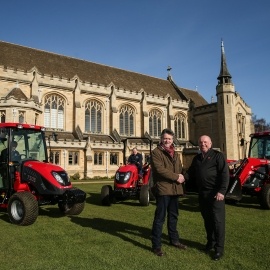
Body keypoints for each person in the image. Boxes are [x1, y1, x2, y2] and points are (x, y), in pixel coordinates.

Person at [185, 135, 229, 261]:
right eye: (200, 142)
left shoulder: (217, 156)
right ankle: (210, 243)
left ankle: (219, 249)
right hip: (203, 194)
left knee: (218, 222)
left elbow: (225, 174)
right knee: (207, 220)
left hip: (216, 194)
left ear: (210, 143)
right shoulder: (197, 158)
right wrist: (180, 177)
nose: (203, 144)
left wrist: (222, 191)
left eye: (205, 142)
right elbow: (190, 172)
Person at [151, 128, 186, 256]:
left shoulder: (175, 153)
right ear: (161, 138)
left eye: (170, 139)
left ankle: (174, 240)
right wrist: (177, 177)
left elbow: (180, 168)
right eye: (165, 138)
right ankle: (156, 246)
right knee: (160, 218)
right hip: (163, 189)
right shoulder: (156, 152)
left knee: (173, 217)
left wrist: (183, 175)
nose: (167, 141)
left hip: (175, 189)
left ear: (173, 140)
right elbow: (160, 170)